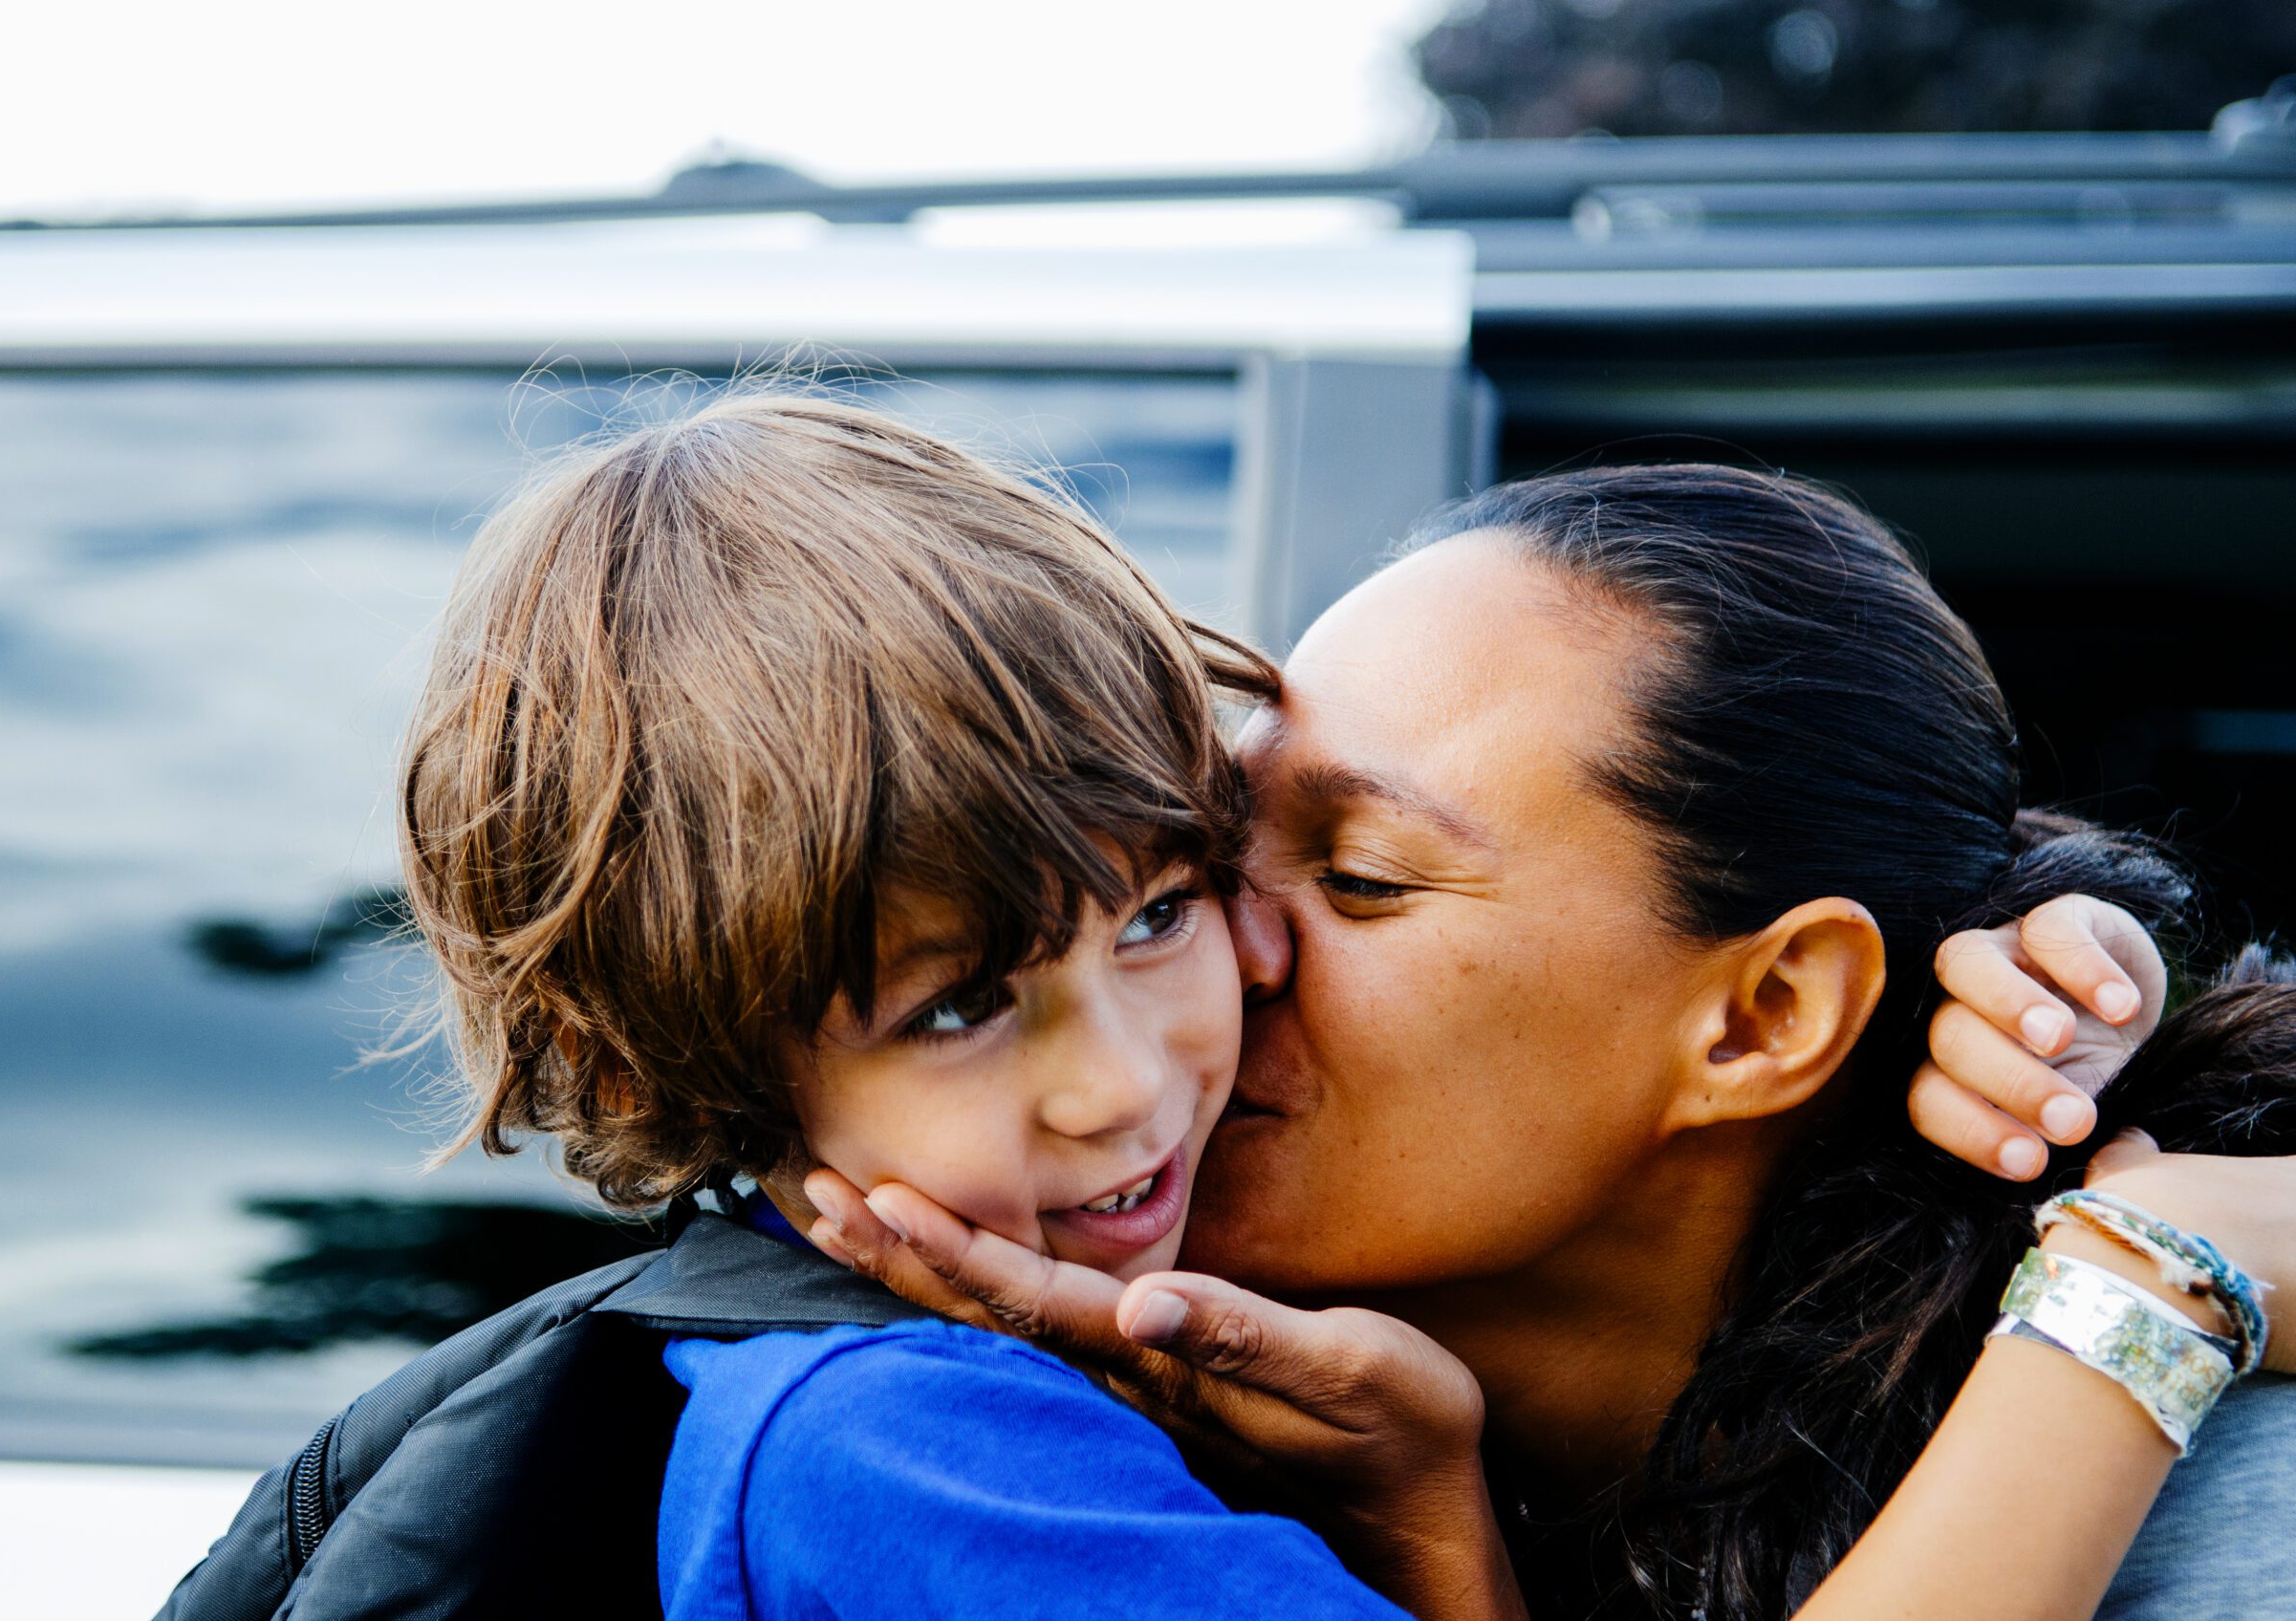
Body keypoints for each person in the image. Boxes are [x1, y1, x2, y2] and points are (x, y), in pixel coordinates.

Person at [397, 402, 2289, 1621]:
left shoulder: (2208, 1528)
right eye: (1229, 850)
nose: (1215, 980)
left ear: (1761, 1012)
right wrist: (2136, 1288)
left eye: (1354, 875)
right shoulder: (966, 1437)